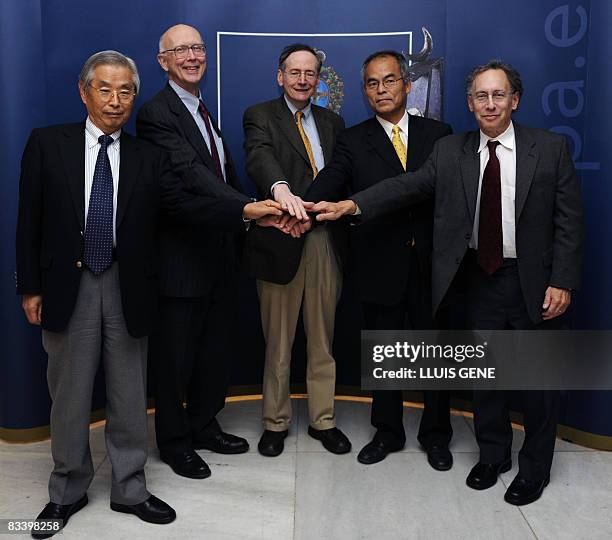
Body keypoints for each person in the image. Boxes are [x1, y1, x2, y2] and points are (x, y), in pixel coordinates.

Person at [312, 60, 584, 505]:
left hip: (536, 284)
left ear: (515, 100)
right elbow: (406, 186)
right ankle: (492, 456)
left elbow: (570, 221)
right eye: (480, 96)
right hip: (481, 279)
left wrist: (563, 282)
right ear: (469, 103)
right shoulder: (452, 150)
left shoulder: (549, 148)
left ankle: (535, 469)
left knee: (537, 384)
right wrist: (350, 206)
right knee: (487, 379)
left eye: (498, 95)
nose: (489, 104)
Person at [16, 50, 176, 538]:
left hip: (128, 287)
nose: (115, 100)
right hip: (69, 285)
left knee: (129, 395)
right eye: (104, 89)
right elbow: (29, 222)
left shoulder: (150, 155)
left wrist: (247, 212)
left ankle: (130, 488)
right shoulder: (48, 144)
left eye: (126, 90)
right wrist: (30, 287)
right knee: (69, 396)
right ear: (84, 92)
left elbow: (180, 212)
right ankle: (67, 490)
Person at [136, 24, 282, 479]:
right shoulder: (156, 114)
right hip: (180, 259)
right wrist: (248, 208)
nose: (194, 56)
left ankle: (203, 425)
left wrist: (255, 215)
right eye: (182, 50)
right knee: (175, 358)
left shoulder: (202, 110)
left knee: (212, 351)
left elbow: (223, 175)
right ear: (163, 61)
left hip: (220, 254)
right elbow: (191, 173)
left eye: (198, 48)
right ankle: (175, 442)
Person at [304, 50, 454, 470]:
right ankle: (387, 431)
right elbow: (331, 179)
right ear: (365, 92)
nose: (381, 90)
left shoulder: (440, 133)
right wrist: (299, 205)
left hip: (431, 265)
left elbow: (433, 191)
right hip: (378, 262)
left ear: (407, 85)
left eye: (389, 81)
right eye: (372, 83)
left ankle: (437, 435)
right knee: (386, 355)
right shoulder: (353, 139)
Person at [242, 43, 351, 457]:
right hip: (279, 236)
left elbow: (340, 173)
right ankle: (275, 422)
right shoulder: (260, 115)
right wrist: (281, 191)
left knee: (323, 339)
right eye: (295, 72)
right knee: (279, 341)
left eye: (310, 73)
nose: (303, 79)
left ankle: (323, 420)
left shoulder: (334, 121)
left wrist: (313, 210)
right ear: (280, 76)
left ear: (318, 79)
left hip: (324, 237)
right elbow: (259, 157)